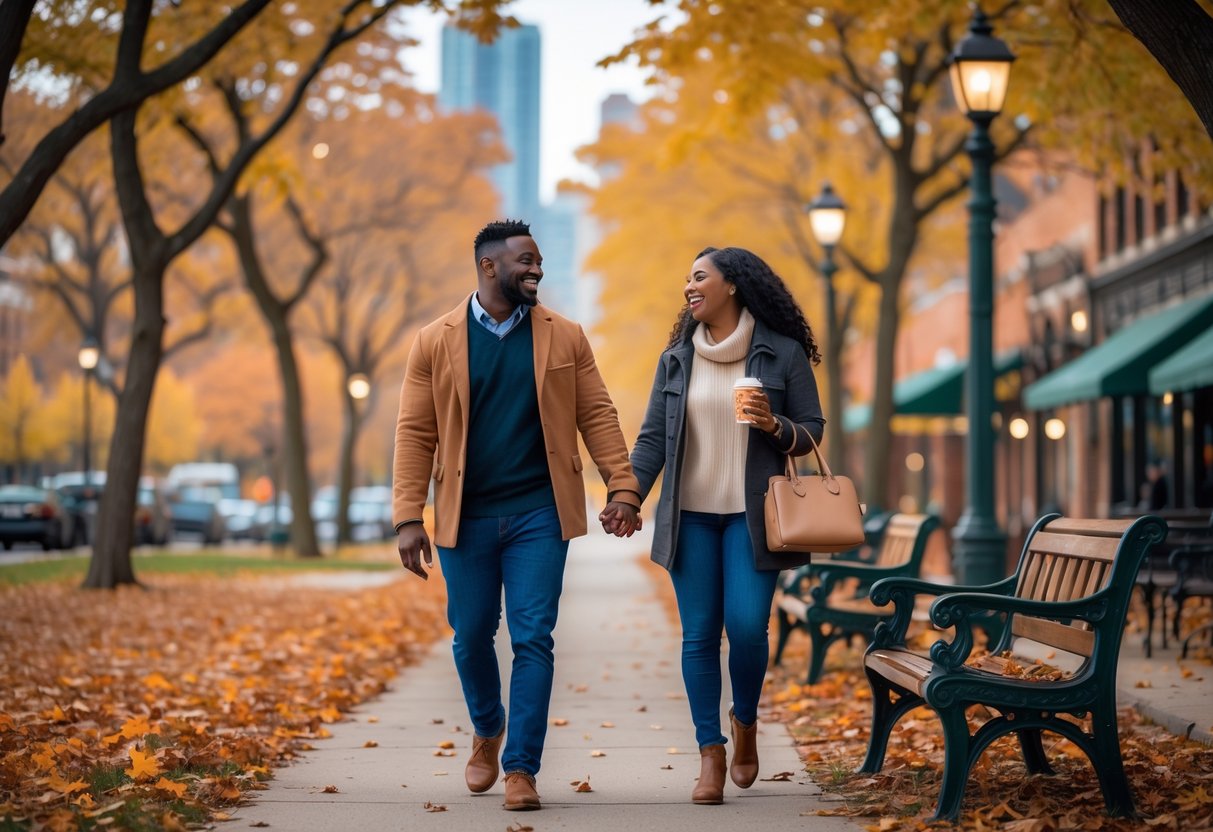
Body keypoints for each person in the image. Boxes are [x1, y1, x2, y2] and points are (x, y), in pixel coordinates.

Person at [393, 219, 642, 812]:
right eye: (525, 261)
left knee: (533, 637)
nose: (536, 269)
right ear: (488, 266)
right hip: (465, 514)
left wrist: (623, 486)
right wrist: (408, 516)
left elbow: (598, 414)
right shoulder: (435, 340)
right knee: (472, 634)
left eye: (538, 261)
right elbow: (414, 431)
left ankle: (521, 768)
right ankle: (487, 727)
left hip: (538, 513)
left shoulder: (565, 336)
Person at [628, 246, 826, 805]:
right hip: (689, 517)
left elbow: (812, 431)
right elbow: (651, 441)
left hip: (752, 517)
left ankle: (744, 720)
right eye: (686, 279)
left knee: (744, 628)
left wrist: (775, 425)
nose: (688, 287)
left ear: (732, 284)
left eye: (699, 277)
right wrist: (629, 496)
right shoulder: (676, 359)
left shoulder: (781, 354)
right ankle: (709, 753)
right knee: (697, 636)